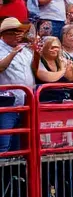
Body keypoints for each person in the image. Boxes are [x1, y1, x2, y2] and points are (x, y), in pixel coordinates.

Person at [0, 18, 35, 154]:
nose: (19, 35)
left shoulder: (25, 50)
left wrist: (37, 53)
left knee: (19, 148)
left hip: (25, 104)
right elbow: (1, 67)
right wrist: (13, 53)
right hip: (6, 105)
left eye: (20, 32)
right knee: (3, 146)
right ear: (5, 33)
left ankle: (13, 175)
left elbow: (36, 71)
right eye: (15, 32)